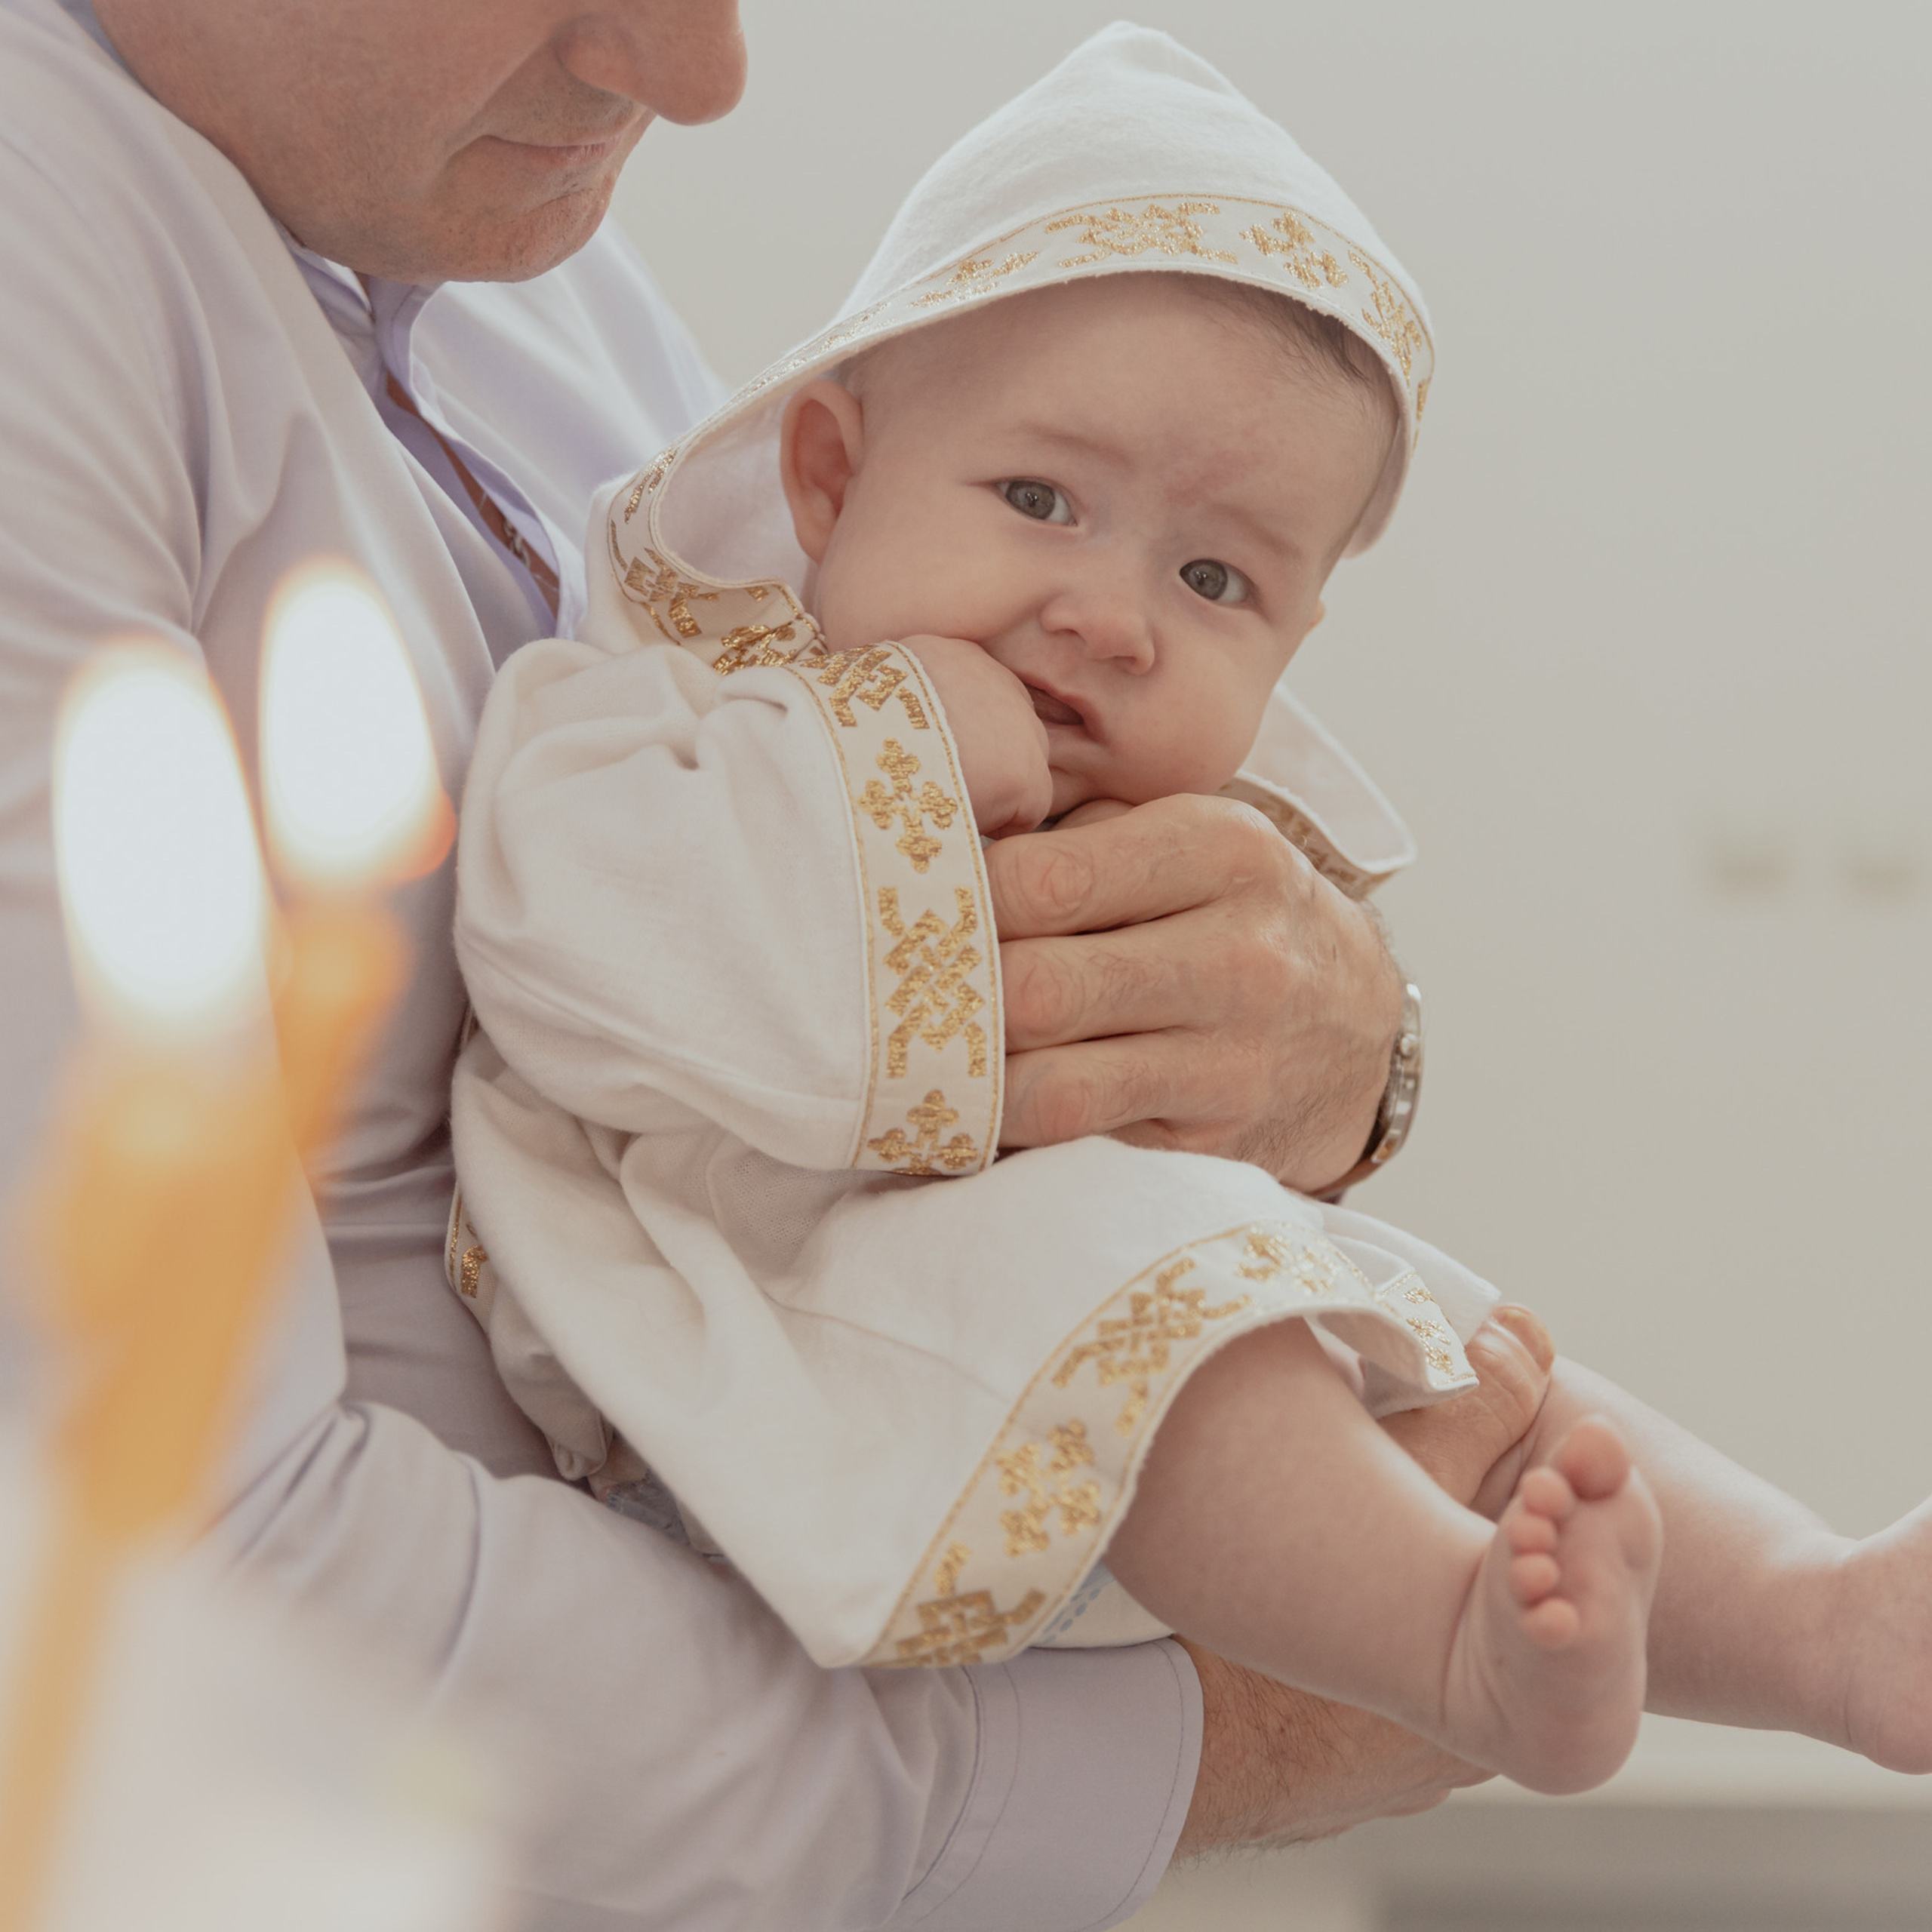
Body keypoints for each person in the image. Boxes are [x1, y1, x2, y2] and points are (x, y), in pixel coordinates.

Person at [0, 0, 1561, 1921]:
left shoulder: (509, 246)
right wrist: (1195, 1743)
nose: (698, 70)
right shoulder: (46, 270)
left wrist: (1333, 1048)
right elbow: (147, 1565)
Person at [449, 26, 1932, 1808]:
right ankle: (1451, 1638)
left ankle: (1822, 1623)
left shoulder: (1149, 821)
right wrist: (909, 752)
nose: (1109, 613)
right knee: (1172, 1309)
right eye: (1039, 498)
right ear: (829, 475)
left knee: (1444, 1337)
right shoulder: (660, 714)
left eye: (1212, 575)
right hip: (733, 1322)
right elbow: (561, 943)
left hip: (1005, 1322)